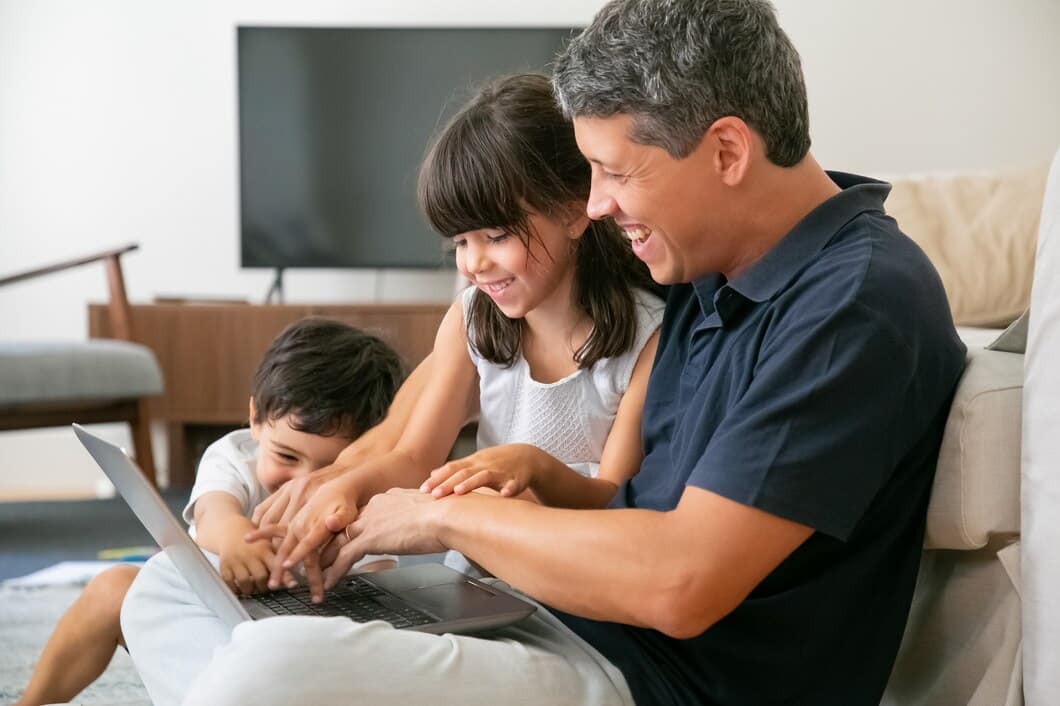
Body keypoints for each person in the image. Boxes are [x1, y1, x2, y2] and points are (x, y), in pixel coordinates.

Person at [122, 2, 968, 705]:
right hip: (558, 617)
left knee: (274, 667)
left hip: (658, 680)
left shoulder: (852, 304)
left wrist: (447, 515)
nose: (596, 205)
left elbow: (681, 582)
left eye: (612, 172)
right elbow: (632, 507)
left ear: (727, 151)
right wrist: (534, 478)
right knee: (170, 591)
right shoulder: (717, 279)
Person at [14, 317, 402, 706]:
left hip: (301, 659)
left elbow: (378, 594)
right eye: (286, 456)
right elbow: (213, 515)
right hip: (208, 627)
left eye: (329, 470)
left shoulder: (366, 495)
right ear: (254, 419)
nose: (301, 482)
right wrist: (236, 542)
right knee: (112, 588)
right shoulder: (234, 457)